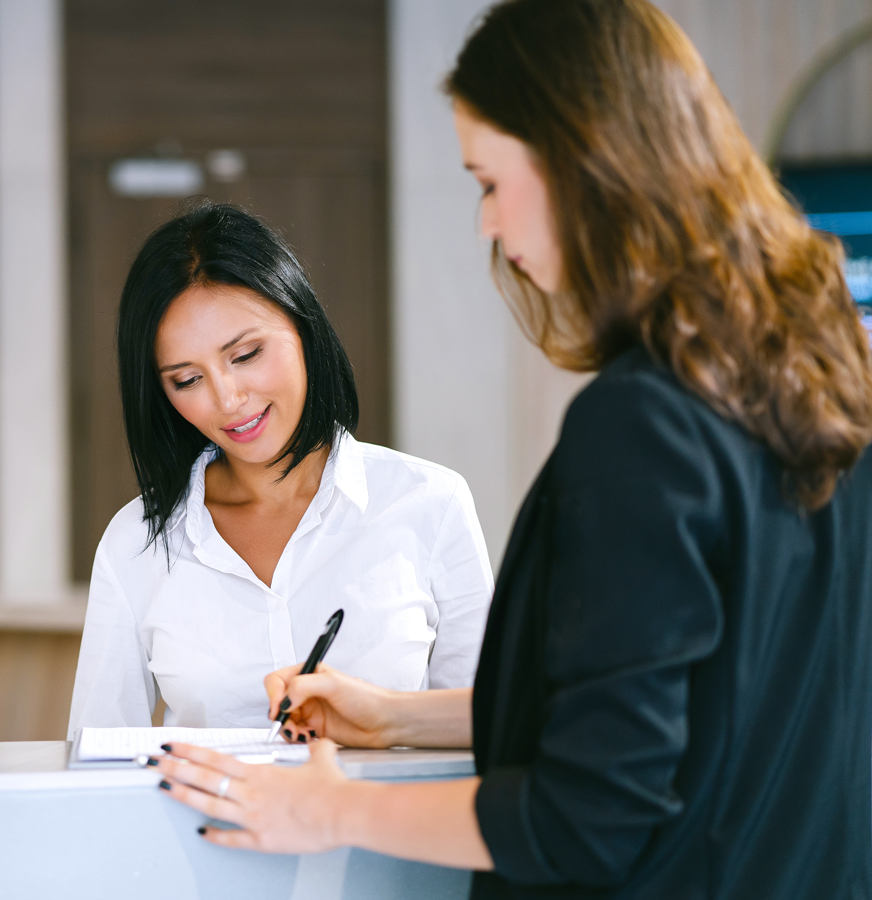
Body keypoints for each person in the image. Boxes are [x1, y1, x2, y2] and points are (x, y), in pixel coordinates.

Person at [152, 0, 872, 897]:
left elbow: (586, 818)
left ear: (584, 160)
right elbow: (680, 712)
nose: (488, 224)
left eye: (490, 181)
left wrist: (327, 809)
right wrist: (397, 720)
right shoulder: (821, 372)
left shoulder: (644, 424)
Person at [67, 203, 494, 732]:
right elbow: (97, 759)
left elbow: (487, 732)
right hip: (202, 818)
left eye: (245, 354)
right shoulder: (137, 541)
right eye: (186, 379)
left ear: (303, 326)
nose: (228, 399)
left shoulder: (430, 503)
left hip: (383, 815)